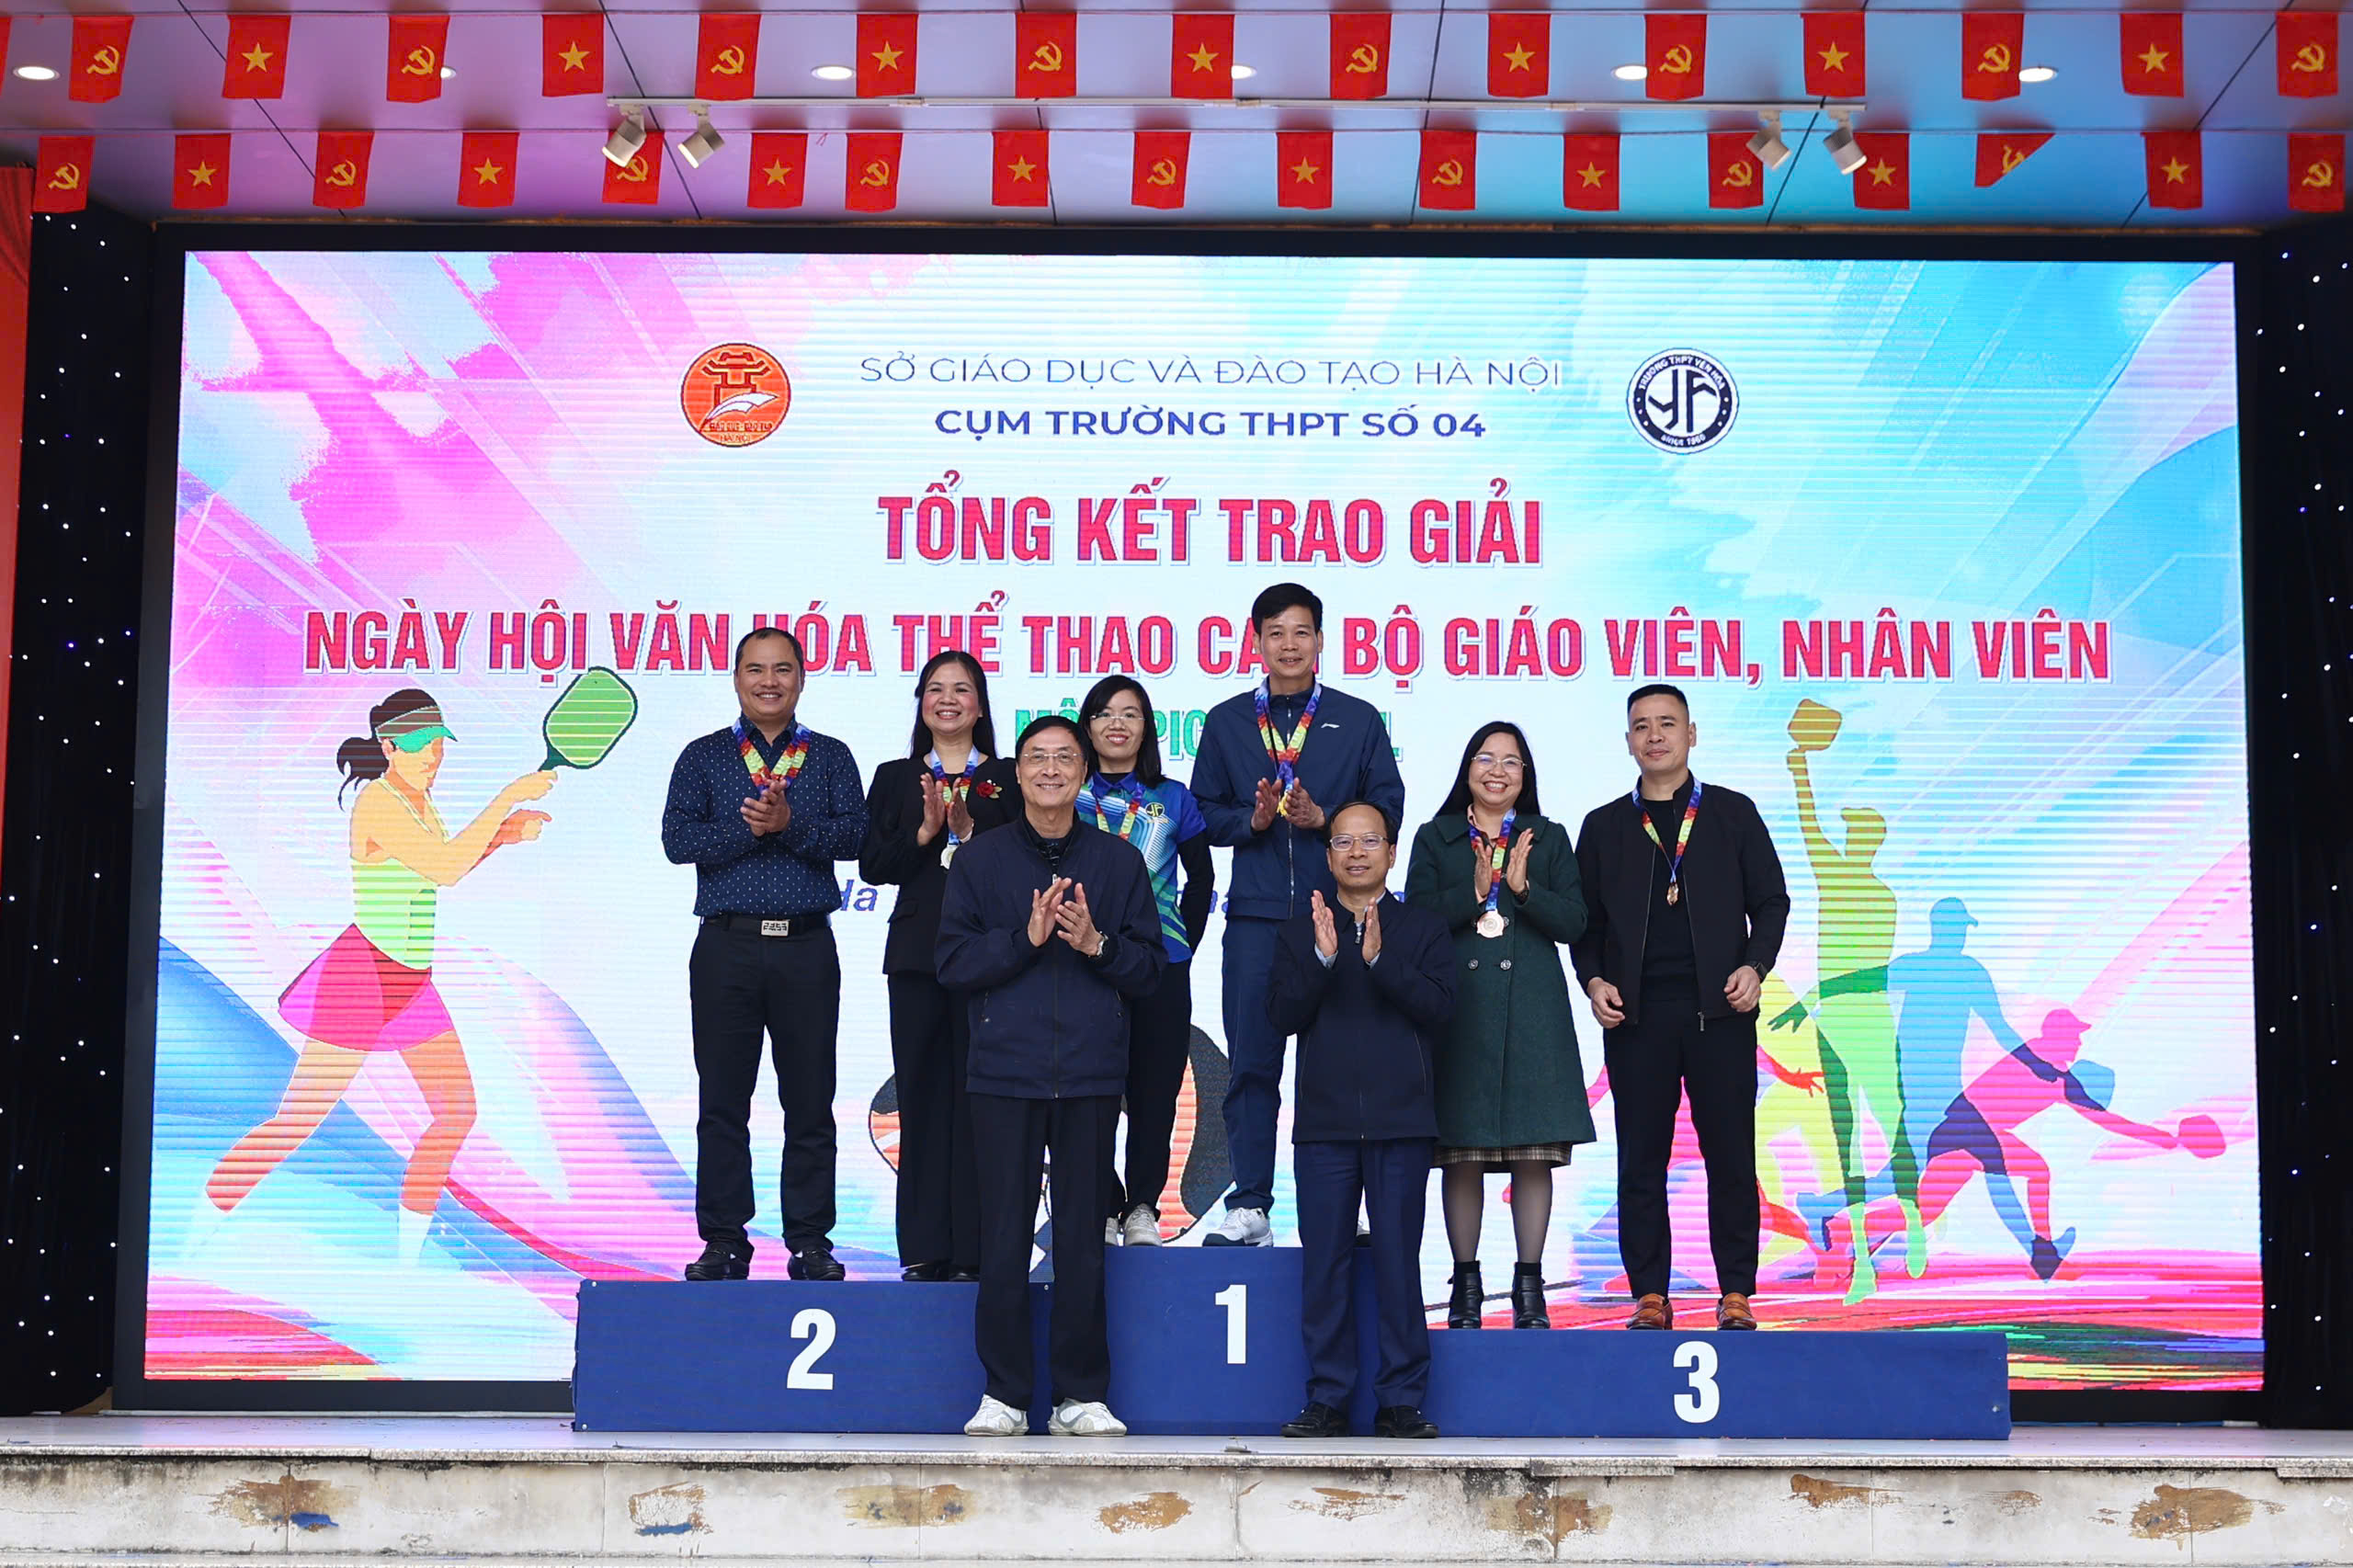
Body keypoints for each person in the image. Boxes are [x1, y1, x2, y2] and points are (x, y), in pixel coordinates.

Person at [199, 688, 552, 1265]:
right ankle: (195, 1234)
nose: (433, 755)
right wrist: (507, 798)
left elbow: (431, 871)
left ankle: (406, 1267)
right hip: (362, 978)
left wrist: (501, 836)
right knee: (295, 1124)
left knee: (456, 1114)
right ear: (389, 747)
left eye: (438, 743)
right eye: (419, 745)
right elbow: (445, 867)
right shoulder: (379, 803)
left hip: (411, 982)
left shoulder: (419, 800)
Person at [937, 714, 1165, 1437]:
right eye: (1037, 757)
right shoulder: (979, 860)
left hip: (1090, 1074)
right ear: (1018, 772)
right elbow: (952, 964)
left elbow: (1150, 971)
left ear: (1083, 773)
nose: (1051, 770)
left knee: (1081, 1242)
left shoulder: (1118, 863)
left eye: (1065, 758)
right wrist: (1024, 940)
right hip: (1004, 1072)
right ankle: (1004, 1395)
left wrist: (1097, 945)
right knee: (1003, 1239)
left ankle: (1080, 1395)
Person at [1191, 582, 1405, 1246]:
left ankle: (1342, 1205)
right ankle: (1250, 1203)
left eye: (1301, 631)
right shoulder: (1227, 721)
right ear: (1256, 642)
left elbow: (1388, 808)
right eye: (1276, 632)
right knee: (1251, 1065)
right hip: (1256, 920)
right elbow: (1204, 815)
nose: (1289, 644)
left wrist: (1327, 819)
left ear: (1320, 640)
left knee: (1341, 1067)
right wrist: (1252, 821)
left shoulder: (1357, 719)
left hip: (1340, 914)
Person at [1572, 684, 1789, 1332]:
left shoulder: (1732, 813)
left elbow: (1771, 902)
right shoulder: (1604, 826)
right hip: (1636, 1020)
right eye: (1642, 726)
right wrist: (1593, 981)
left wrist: (1755, 966)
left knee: (1731, 1157)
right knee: (1641, 1161)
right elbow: (1585, 925)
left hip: (1720, 1014)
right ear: (1628, 741)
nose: (1655, 736)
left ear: (1692, 734)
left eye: (1668, 723)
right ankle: (1649, 1293)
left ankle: (1736, 1292)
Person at [661, 627, 867, 1284]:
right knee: (723, 1102)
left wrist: (791, 827)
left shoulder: (829, 756)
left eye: (782, 669)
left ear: (801, 678)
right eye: (755, 669)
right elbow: (676, 840)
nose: (769, 682)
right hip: (728, 945)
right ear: (736, 678)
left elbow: (857, 836)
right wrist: (750, 829)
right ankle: (724, 1240)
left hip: (807, 948)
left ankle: (810, 1241)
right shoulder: (703, 756)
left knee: (810, 1102)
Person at [1269, 802, 1452, 1440]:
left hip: (1402, 1123)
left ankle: (1401, 1400)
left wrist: (1380, 962)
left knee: (1399, 1264)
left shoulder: (1423, 929)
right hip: (1324, 1126)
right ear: (1327, 857)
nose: (1355, 852)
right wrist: (1322, 961)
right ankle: (1327, 1398)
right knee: (1325, 1266)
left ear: (1391, 852)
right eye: (1343, 842)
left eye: (1369, 840)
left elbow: (1441, 1010)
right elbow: (1280, 1017)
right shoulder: (1299, 931)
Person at [1404, 723, 1592, 1332]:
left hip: (1533, 1016)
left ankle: (1529, 1286)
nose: (1497, 771)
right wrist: (1474, 890)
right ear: (1467, 768)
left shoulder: (1548, 837)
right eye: (1486, 758)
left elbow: (1576, 922)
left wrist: (1524, 889)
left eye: (1511, 762)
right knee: (1461, 1156)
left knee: (1534, 1156)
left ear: (1525, 775)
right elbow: (1416, 920)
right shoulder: (1436, 836)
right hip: (1460, 1012)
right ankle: (1466, 1284)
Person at [859, 652, 1019, 1283]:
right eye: (934, 689)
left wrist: (971, 835)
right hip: (916, 956)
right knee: (922, 1098)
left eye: (961, 689)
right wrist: (925, 834)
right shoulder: (895, 776)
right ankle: (925, 1247)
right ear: (921, 703)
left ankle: (977, 1249)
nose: (947, 699)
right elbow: (873, 865)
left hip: (990, 957)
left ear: (980, 706)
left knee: (982, 1099)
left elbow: (1025, 863)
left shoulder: (1007, 776)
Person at [1079, 676, 1216, 1248]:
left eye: (1130, 714)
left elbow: (1202, 879)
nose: (1117, 724)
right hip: (1081, 960)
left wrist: (1183, 942)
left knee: (1155, 1092)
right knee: (1087, 1090)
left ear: (1146, 728)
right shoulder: (1068, 790)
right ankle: (1102, 1203)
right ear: (1087, 727)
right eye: (1105, 713)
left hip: (1160, 965)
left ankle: (1141, 1207)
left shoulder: (1173, 797)